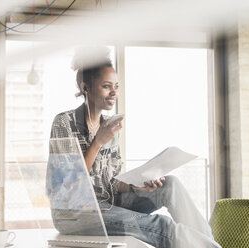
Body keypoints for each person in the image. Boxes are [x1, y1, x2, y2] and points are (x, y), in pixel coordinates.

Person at [47, 46, 221, 248]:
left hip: (109, 204)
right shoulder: (64, 123)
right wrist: (98, 142)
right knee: (162, 225)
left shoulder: (110, 127)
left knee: (170, 185)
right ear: (86, 88)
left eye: (116, 86)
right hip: (74, 213)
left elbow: (111, 183)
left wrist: (135, 185)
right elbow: (67, 182)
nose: (114, 92)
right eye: (106, 86)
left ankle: (212, 245)